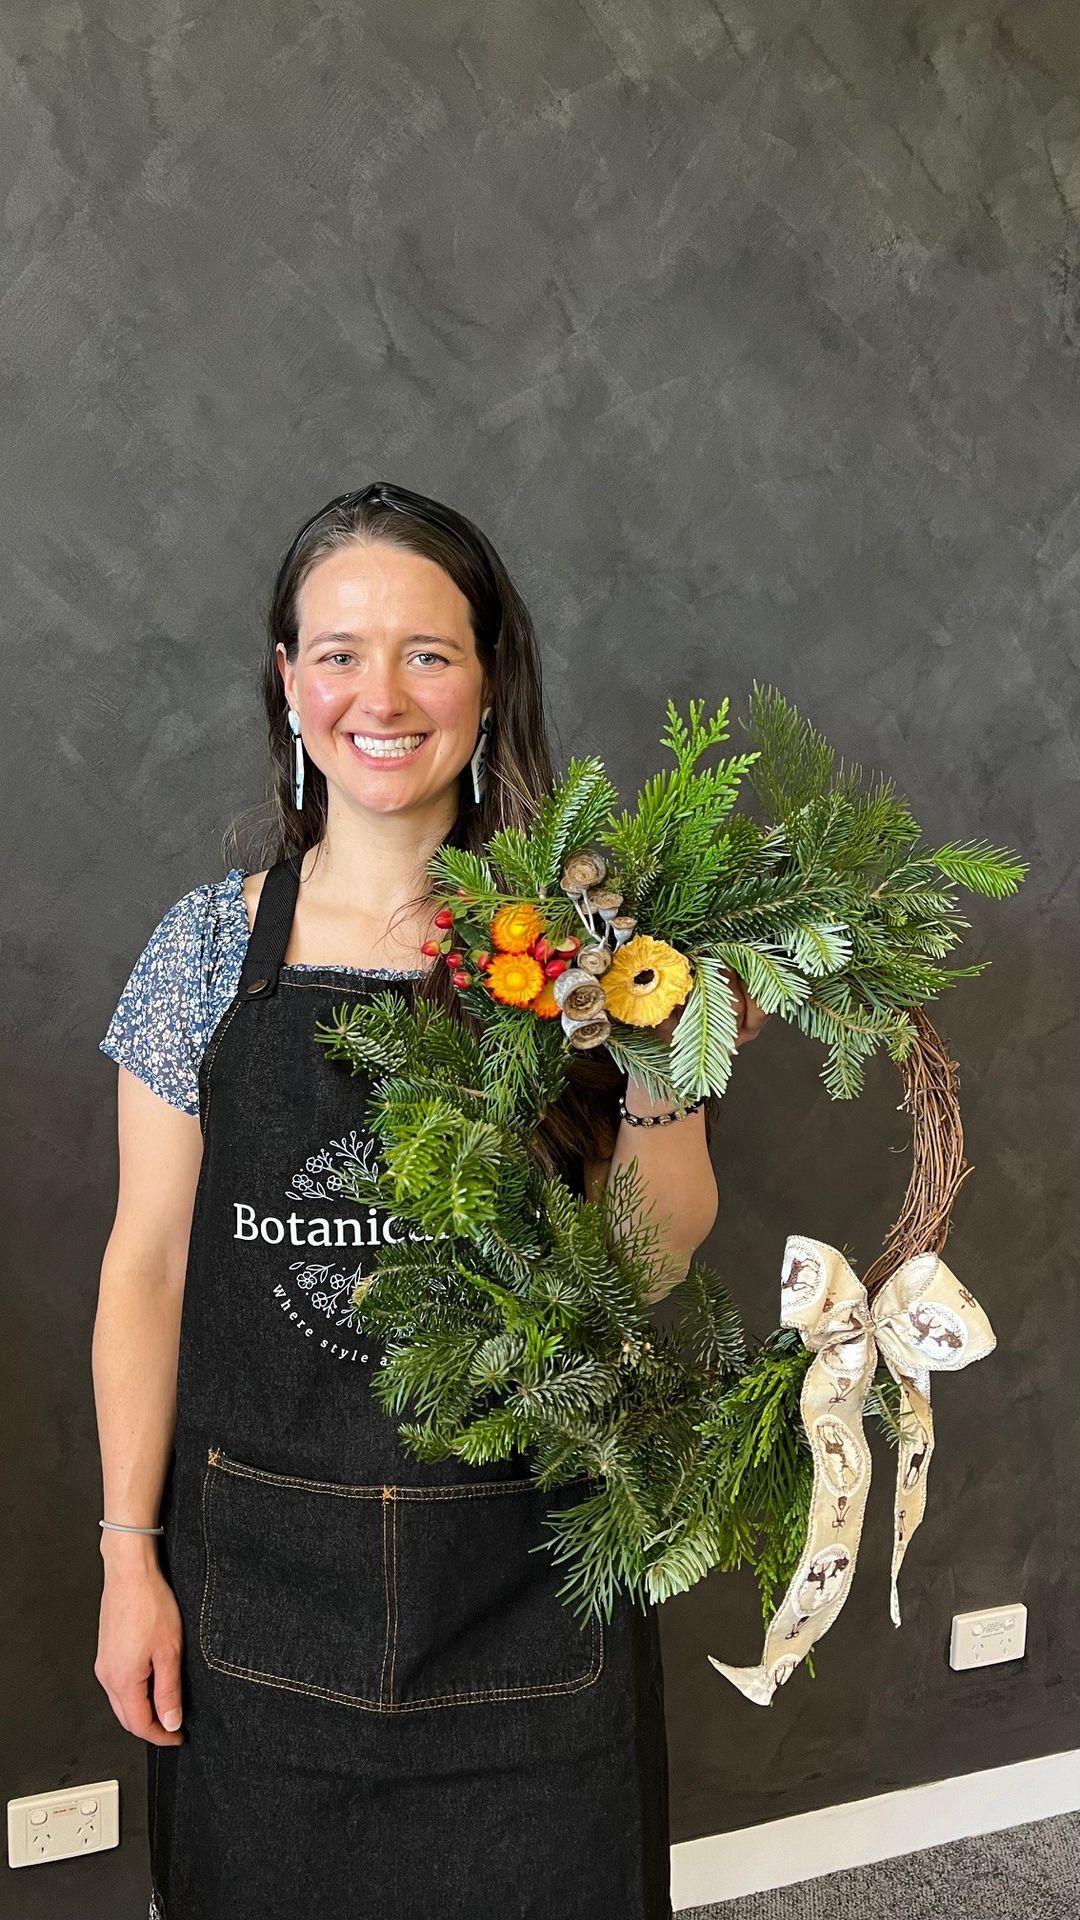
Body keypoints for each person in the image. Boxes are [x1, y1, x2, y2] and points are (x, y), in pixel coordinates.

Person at [93, 481, 763, 1920]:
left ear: (492, 673)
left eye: (429, 652)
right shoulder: (205, 951)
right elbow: (146, 1268)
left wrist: (657, 1063)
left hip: (524, 1585)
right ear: (286, 680)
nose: (379, 695)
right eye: (337, 651)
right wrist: (125, 1558)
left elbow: (642, 1262)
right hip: (257, 1590)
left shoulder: (593, 954)